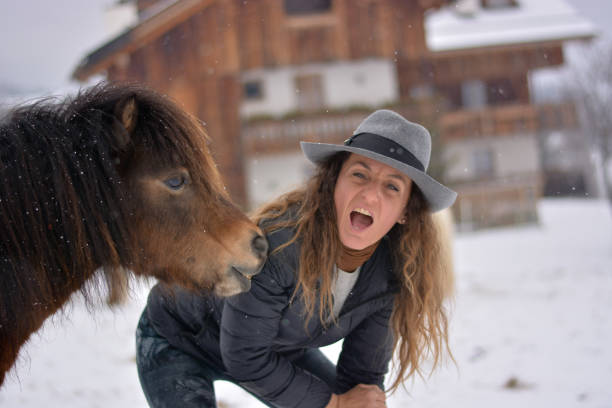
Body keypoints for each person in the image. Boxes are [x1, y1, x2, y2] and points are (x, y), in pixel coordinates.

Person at [135, 109, 457, 408]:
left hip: (274, 352)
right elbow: (245, 358)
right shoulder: (279, 245)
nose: (371, 195)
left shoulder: (389, 274)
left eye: (392, 186)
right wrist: (333, 404)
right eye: (360, 175)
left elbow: (362, 379)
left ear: (405, 211)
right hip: (178, 337)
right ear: (334, 181)